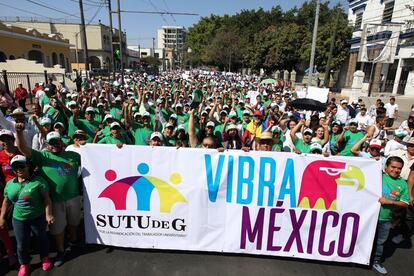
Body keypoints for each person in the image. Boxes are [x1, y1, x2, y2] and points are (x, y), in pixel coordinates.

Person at [14, 123, 81, 267]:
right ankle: (61, 251)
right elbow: (23, 149)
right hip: (54, 200)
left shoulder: (74, 155)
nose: (54, 145)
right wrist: (18, 132)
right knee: (58, 229)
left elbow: (96, 159)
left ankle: (74, 242)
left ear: (61, 142)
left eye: (57, 141)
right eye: (51, 143)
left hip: (74, 197)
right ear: (47, 144)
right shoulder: (42, 156)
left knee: (74, 223)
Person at [0, 155, 54, 275]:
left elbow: (47, 200)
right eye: (15, 167)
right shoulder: (10, 184)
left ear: (28, 166)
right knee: (22, 244)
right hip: (18, 219)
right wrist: (2, 217)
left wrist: (48, 214)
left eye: (21, 166)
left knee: (42, 239)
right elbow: (6, 202)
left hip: (37, 217)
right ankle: (24, 264)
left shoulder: (39, 181)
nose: (19, 169)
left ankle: (45, 258)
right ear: (12, 169)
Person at [372, 156, 409, 275]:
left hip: (386, 219)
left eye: (399, 168)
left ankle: (376, 261)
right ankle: (356, 257)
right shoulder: (377, 176)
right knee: (363, 238)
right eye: (393, 167)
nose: (396, 170)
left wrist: (390, 202)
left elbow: (405, 203)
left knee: (380, 241)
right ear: (386, 167)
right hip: (369, 217)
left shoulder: (403, 184)